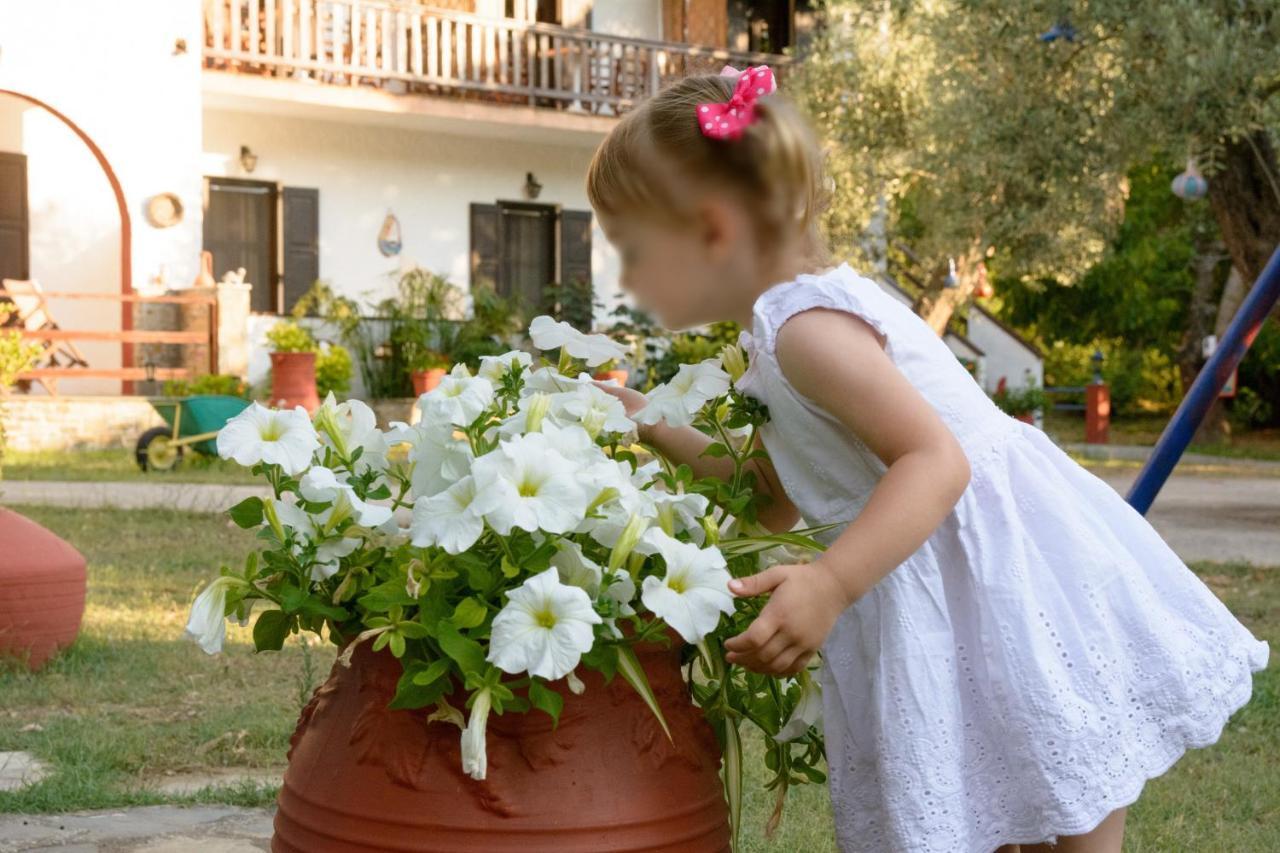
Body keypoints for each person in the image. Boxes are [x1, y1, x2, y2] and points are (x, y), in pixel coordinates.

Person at [587, 66, 1269, 853]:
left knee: (1063, 821)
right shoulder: (777, 339)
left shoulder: (804, 329)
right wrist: (648, 422)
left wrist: (831, 581)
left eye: (634, 250)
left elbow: (936, 461)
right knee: (1004, 818)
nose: (628, 281)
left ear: (712, 230)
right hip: (949, 592)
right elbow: (770, 492)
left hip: (1001, 587)